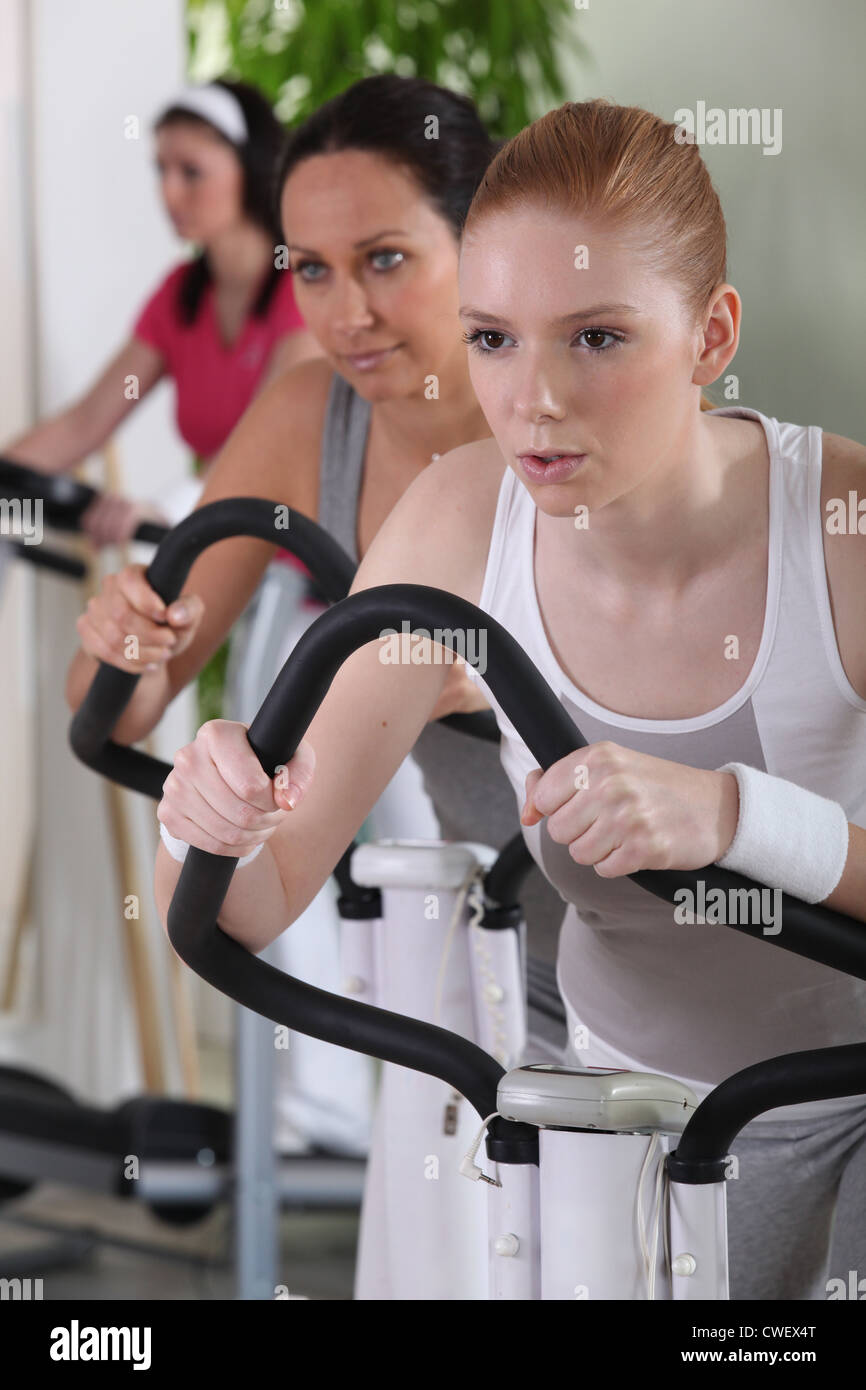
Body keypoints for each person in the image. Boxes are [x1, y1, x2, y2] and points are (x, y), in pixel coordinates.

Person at [150, 98, 866, 1301]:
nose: (532, 399)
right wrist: (204, 816)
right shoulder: (455, 520)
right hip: (611, 1116)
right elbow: (252, 900)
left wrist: (736, 820)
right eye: (491, 339)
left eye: (594, 338)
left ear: (708, 334)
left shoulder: (838, 526)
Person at [4, 79, 321, 544]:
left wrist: (171, 504)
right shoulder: (180, 295)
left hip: (306, 570)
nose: (168, 193)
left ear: (250, 169)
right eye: (161, 170)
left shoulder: (304, 285)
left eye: (191, 172)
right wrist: (7, 477)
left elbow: (269, 441)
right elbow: (84, 423)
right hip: (223, 557)